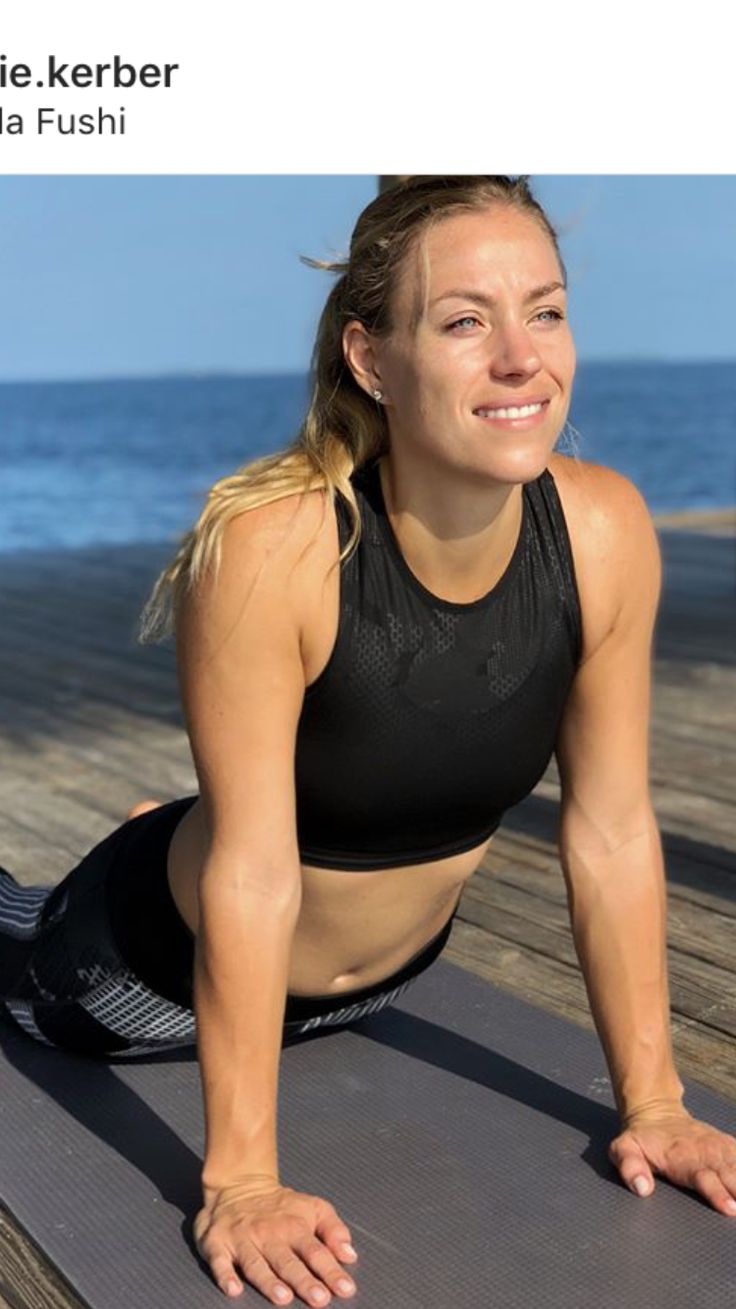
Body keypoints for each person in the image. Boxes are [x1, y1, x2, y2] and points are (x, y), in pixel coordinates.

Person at [1, 175, 735, 1308]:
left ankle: (154, 835)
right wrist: (240, 1178)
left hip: (380, 980)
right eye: (462, 321)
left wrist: (656, 1105)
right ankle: (122, 864)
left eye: (543, 310)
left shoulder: (602, 529)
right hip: (134, 977)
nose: (520, 358)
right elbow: (251, 870)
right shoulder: (274, 546)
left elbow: (610, 827)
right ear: (370, 358)